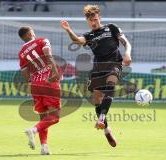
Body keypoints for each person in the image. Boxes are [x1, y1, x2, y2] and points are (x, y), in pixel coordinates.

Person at [60, 4, 132, 147]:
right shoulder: (89, 35)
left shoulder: (111, 27)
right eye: (90, 20)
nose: (93, 22)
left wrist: (127, 53)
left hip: (114, 64)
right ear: (87, 21)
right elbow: (77, 41)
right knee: (97, 98)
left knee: (110, 85)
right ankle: (106, 130)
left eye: (95, 19)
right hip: (98, 67)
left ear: (100, 18)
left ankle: (101, 119)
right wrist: (69, 30)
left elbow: (126, 42)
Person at [18, 26, 61, 155]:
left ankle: (44, 147)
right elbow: (48, 54)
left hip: (35, 85)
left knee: (43, 117)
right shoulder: (42, 41)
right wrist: (54, 72)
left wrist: (35, 81)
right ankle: (33, 130)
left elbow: (25, 74)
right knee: (55, 116)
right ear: (31, 33)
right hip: (48, 80)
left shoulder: (22, 52)